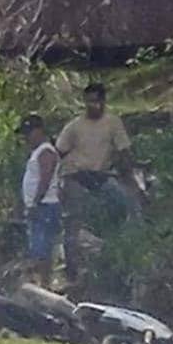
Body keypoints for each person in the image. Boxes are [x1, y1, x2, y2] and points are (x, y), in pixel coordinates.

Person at [55, 82, 136, 282]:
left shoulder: (112, 123)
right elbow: (59, 152)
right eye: (89, 102)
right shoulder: (74, 126)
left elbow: (124, 151)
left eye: (97, 101)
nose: (93, 106)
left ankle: (114, 254)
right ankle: (71, 267)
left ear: (103, 101)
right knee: (73, 219)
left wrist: (129, 176)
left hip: (101, 175)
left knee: (122, 204)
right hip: (76, 174)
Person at [17, 114, 61, 287]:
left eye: (29, 132)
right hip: (39, 206)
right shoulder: (37, 152)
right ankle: (43, 283)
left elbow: (46, 177)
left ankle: (46, 284)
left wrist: (36, 201)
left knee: (43, 248)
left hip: (45, 205)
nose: (26, 137)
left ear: (39, 131)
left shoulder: (46, 152)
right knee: (38, 247)